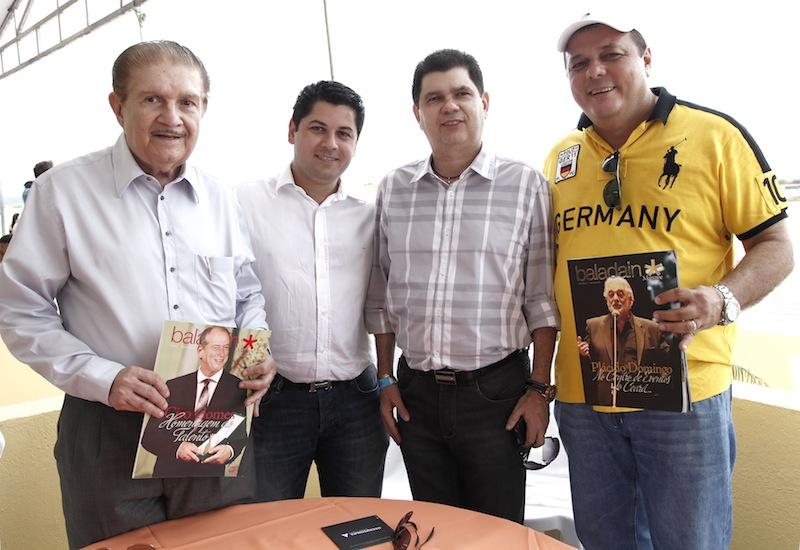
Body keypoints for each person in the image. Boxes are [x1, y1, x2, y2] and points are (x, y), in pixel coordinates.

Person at [0, 40, 277, 549]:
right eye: (153, 99)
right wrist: (104, 378)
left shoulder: (220, 198)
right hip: (109, 423)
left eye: (187, 102)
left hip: (212, 418)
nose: (172, 117)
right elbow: (20, 310)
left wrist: (255, 350)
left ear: (203, 108)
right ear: (118, 105)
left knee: (219, 544)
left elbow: (246, 295)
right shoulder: (63, 193)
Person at [544, 12, 793, 549]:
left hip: (684, 394)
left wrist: (721, 299)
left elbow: (776, 247)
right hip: (585, 396)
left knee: (690, 541)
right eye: (579, 63)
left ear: (646, 58)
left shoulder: (715, 136)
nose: (594, 71)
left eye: (611, 54)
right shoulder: (561, 157)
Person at [366, 49, 559, 523]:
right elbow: (382, 296)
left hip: (497, 394)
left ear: (483, 102)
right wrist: (386, 377)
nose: (449, 106)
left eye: (461, 94)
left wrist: (539, 389)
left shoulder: (526, 185)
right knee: (433, 530)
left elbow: (541, 300)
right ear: (418, 113)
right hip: (416, 395)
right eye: (434, 98)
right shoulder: (394, 189)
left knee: (495, 532)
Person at [237, 81, 388, 500]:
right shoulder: (244, 202)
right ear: (293, 130)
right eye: (318, 128)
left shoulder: (372, 213)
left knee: (358, 523)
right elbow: (228, 293)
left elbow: (385, 300)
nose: (330, 143)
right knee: (267, 526)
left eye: (344, 133)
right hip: (273, 400)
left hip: (356, 399)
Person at [141, 325, 247, 477]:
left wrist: (229, 451)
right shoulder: (173, 386)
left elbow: (240, 435)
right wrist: (177, 448)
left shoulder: (238, 387)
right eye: (216, 347)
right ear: (200, 350)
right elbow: (149, 437)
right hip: (168, 473)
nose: (222, 353)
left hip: (210, 478)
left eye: (226, 348)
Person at [578, 276, 663, 366]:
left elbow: (666, 361)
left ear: (630, 300)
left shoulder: (652, 328)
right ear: (607, 300)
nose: (615, 298)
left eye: (620, 294)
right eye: (611, 294)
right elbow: (588, 363)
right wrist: (582, 353)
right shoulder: (593, 326)